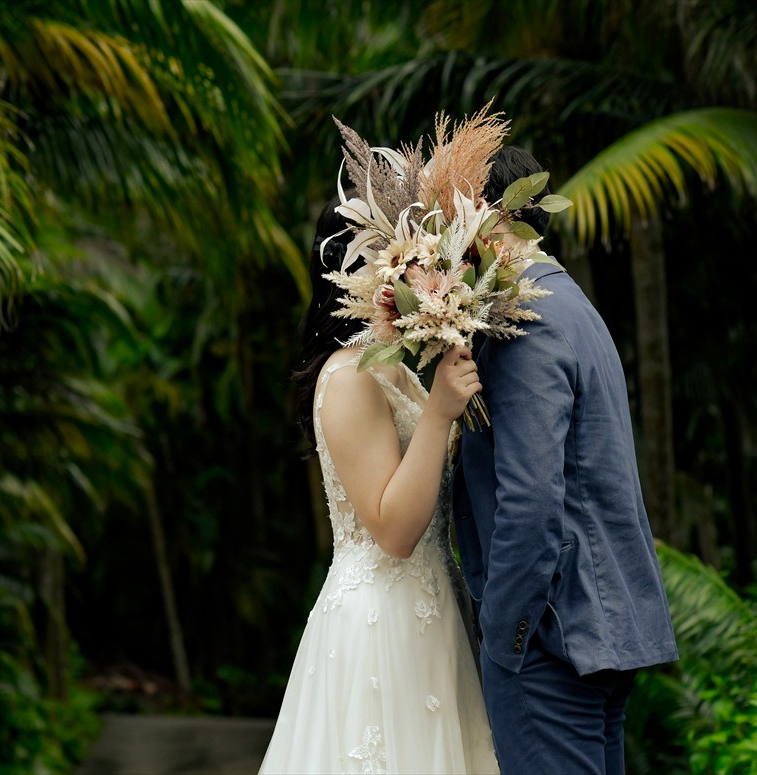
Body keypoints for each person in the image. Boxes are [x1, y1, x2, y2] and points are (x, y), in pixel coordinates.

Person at [452, 146, 679, 775]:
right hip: (600, 630)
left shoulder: (526, 322)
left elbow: (530, 499)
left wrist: (505, 639)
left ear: (479, 210)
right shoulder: (574, 305)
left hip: (552, 643)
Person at [259, 196, 499, 774]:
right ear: (347, 273)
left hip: (431, 608)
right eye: (384, 259)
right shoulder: (348, 380)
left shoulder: (391, 365)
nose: (404, 273)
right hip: (384, 624)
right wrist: (440, 412)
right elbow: (393, 530)